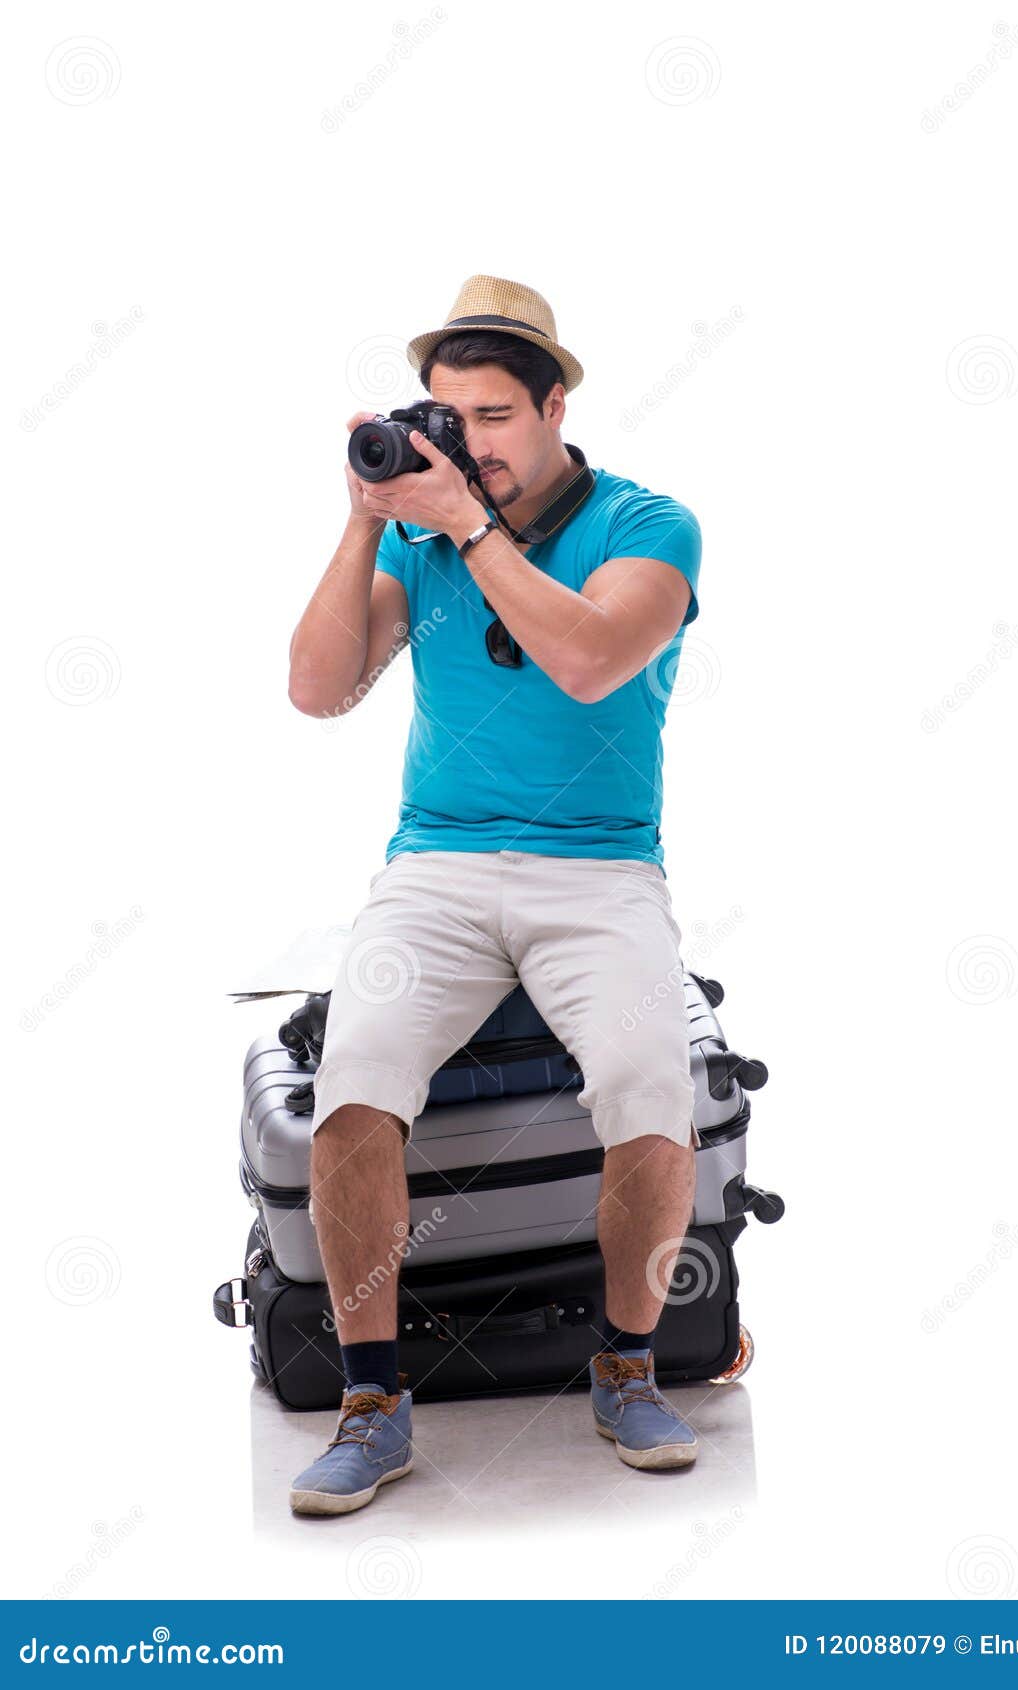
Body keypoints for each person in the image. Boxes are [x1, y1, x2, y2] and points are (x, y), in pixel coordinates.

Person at [286, 274, 704, 1516]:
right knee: (354, 1080)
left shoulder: (650, 524)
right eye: (446, 419)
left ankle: (627, 1366)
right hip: (441, 869)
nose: (469, 444)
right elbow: (315, 690)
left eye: (494, 416)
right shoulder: (421, 540)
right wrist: (367, 518)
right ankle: (373, 1401)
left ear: (555, 403)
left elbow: (587, 659)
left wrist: (470, 525)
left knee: (648, 1081)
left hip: (601, 870)